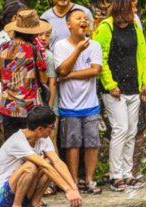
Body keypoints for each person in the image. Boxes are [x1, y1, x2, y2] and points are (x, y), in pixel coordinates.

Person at [95, 0, 146, 190]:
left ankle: (128, 173)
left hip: (133, 87)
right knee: (120, 128)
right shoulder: (106, 27)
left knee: (131, 130)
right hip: (114, 90)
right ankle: (115, 175)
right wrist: (110, 84)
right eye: (132, 7)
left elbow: (142, 54)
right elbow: (100, 57)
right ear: (123, 7)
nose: (135, 10)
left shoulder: (135, 26)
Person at [0, 104, 83, 207]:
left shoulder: (43, 138)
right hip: (2, 196)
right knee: (31, 166)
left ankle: (34, 206)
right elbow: (43, 166)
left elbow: (57, 162)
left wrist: (74, 189)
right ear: (40, 129)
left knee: (49, 162)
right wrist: (67, 190)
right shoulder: (17, 141)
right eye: (51, 127)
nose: (53, 130)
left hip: (25, 191)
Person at [55, 7, 103, 195]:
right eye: (78, 18)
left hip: (90, 103)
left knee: (92, 143)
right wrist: (77, 50)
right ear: (68, 24)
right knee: (71, 144)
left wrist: (70, 75)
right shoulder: (61, 46)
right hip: (69, 105)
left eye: (85, 18)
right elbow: (61, 70)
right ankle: (73, 180)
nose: (83, 21)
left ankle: (89, 179)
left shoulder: (94, 45)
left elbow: (94, 70)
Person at [0, 9, 51, 139]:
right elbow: (43, 79)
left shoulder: (2, 48)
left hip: (8, 106)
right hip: (29, 107)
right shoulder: (35, 50)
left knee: (11, 146)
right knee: (29, 146)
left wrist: (11, 75)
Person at [0, 2, 24, 128]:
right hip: (3, 97)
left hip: (24, 97)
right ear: (15, 18)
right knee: (9, 138)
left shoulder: (27, 40)